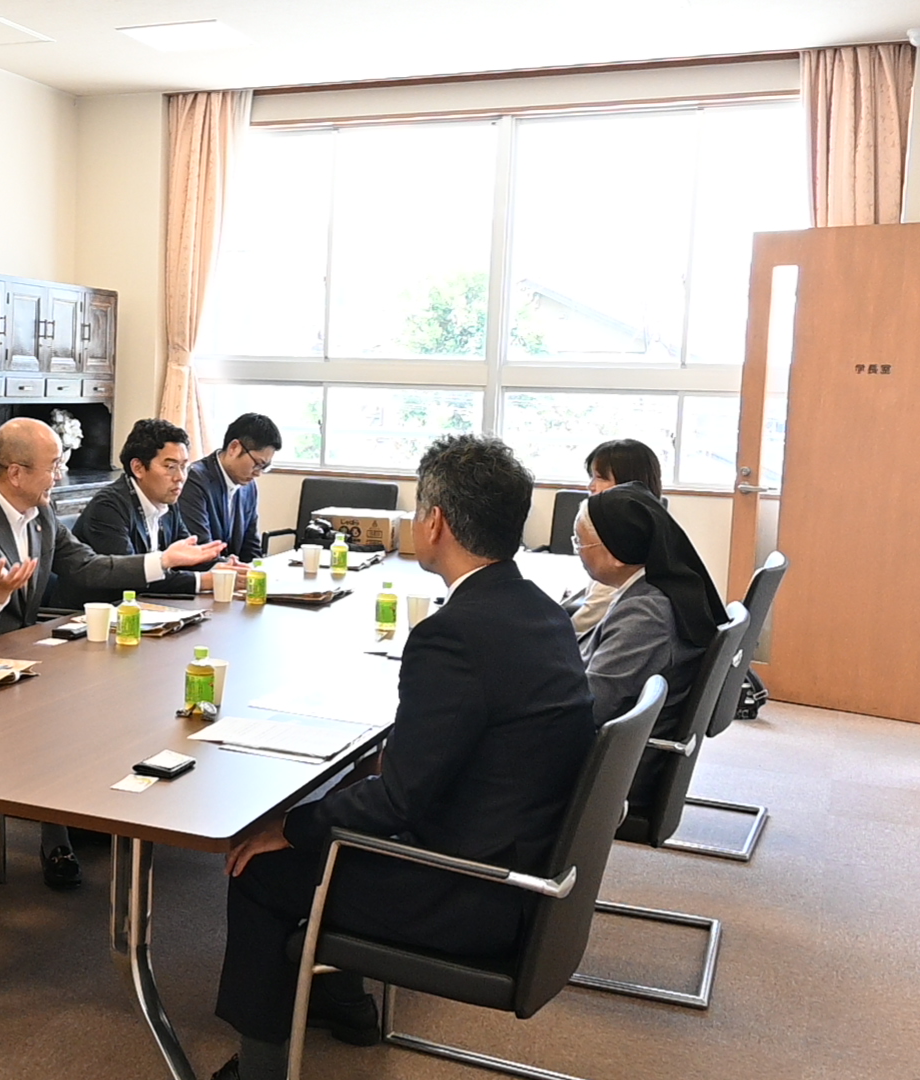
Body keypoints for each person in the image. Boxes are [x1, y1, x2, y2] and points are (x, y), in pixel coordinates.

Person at [209, 434, 595, 1080]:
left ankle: (260, 1071)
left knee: (263, 867)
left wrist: (290, 826)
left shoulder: (453, 635)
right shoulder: (540, 611)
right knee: (341, 813)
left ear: (434, 522)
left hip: (470, 891)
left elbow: (397, 802)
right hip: (524, 865)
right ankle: (344, 1003)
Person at [0, 416, 225, 889]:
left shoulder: (40, 513)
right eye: (54, 465)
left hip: (16, 654)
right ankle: (61, 834)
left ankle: (90, 814)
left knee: (102, 691)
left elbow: (87, 566)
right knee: (63, 711)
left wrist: (163, 560)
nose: (60, 475)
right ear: (16, 472)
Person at [574, 481, 729, 806]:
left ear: (616, 553)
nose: (577, 550)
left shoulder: (646, 615)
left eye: (580, 542)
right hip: (626, 755)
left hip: (615, 774)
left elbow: (593, 707)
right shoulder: (655, 590)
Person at [55, 417, 243, 607]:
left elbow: (187, 556)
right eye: (170, 467)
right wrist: (203, 581)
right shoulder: (108, 507)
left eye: (184, 466)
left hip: (146, 609)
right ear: (138, 468)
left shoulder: (168, 502)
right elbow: (131, 578)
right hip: (93, 615)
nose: (180, 477)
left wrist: (225, 566)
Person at [567, 438, 666, 636]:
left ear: (629, 483)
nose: (591, 486)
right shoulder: (658, 533)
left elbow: (578, 630)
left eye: (600, 478)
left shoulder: (623, 561)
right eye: (591, 477)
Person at [179, 412, 281, 562]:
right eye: (257, 464)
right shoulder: (195, 481)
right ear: (234, 448)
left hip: (230, 572)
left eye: (264, 467)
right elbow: (201, 550)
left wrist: (258, 569)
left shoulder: (248, 486)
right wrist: (234, 569)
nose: (258, 473)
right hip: (203, 572)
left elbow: (250, 546)